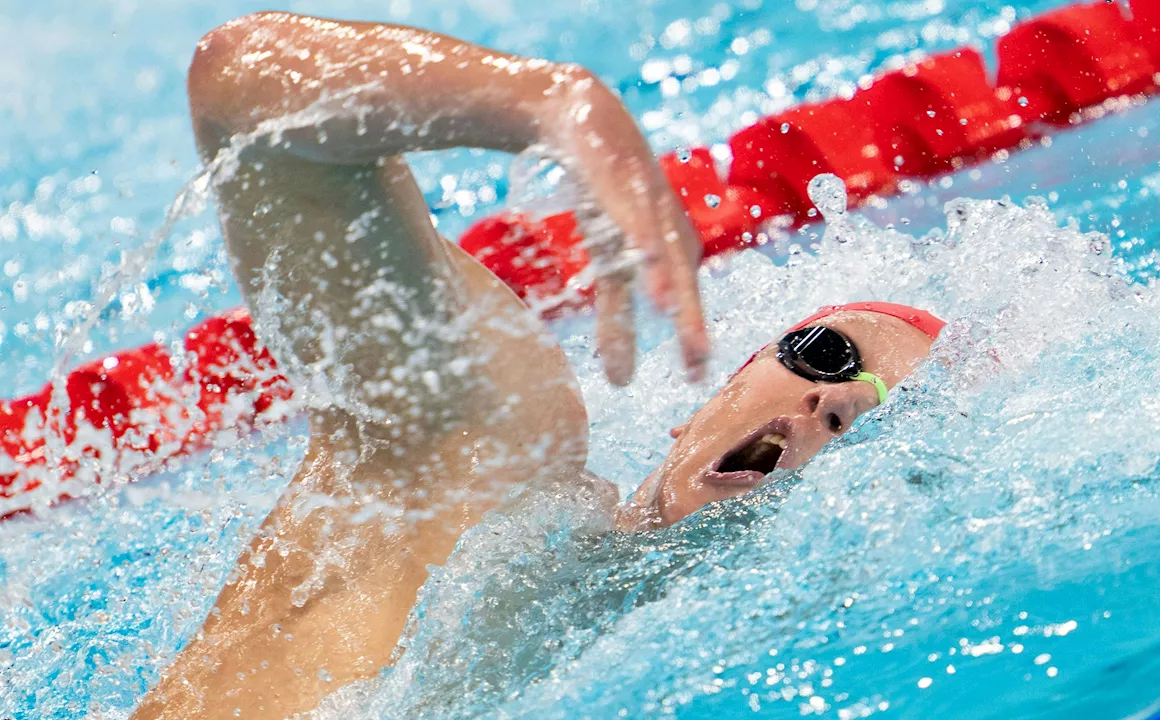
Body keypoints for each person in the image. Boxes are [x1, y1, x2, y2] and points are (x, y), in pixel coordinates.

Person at [132, 11, 943, 719]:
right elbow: (244, 91)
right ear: (707, 398)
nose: (827, 410)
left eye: (870, 428)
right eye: (827, 357)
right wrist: (552, 100)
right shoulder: (487, 464)